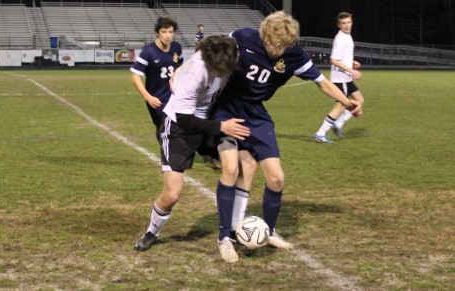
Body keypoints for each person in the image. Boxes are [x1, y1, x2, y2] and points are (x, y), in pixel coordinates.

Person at [213, 11, 362, 263]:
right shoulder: (242, 37)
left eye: (282, 46)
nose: (275, 51)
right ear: (264, 35)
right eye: (272, 44)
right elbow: (208, 52)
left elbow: (322, 83)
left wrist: (347, 102)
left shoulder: (295, 55)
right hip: (225, 109)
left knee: (276, 177)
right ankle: (224, 237)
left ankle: (269, 232)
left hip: (257, 115)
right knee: (231, 169)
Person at [134, 35, 251, 252]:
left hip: (211, 119)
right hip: (180, 127)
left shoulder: (228, 50)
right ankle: (152, 232)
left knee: (244, 164)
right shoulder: (195, 72)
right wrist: (222, 127)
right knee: (172, 194)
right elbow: (185, 119)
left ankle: (232, 229)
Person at [314, 12, 365, 143]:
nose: (347, 25)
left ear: (352, 22)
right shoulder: (340, 38)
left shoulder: (348, 36)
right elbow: (334, 60)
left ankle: (338, 124)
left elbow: (343, 57)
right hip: (340, 79)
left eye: (348, 22)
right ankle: (321, 133)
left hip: (346, 78)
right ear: (339, 25)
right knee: (339, 107)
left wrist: (352, 63)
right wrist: (352, 71)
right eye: (343, 23)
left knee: (359, 100)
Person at [130, 16, 183, 143]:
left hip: (175, 96)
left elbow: (180, 65)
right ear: (157, 33)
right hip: (157, 99)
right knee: (162, 128)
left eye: (170, 32)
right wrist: (148, 97)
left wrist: (177, 72)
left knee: (176, 129)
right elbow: (135, 76)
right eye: (164, 32)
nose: (167, 35)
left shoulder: (176, 47)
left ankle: (171, 156)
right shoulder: (148, 52)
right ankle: (167, 155)